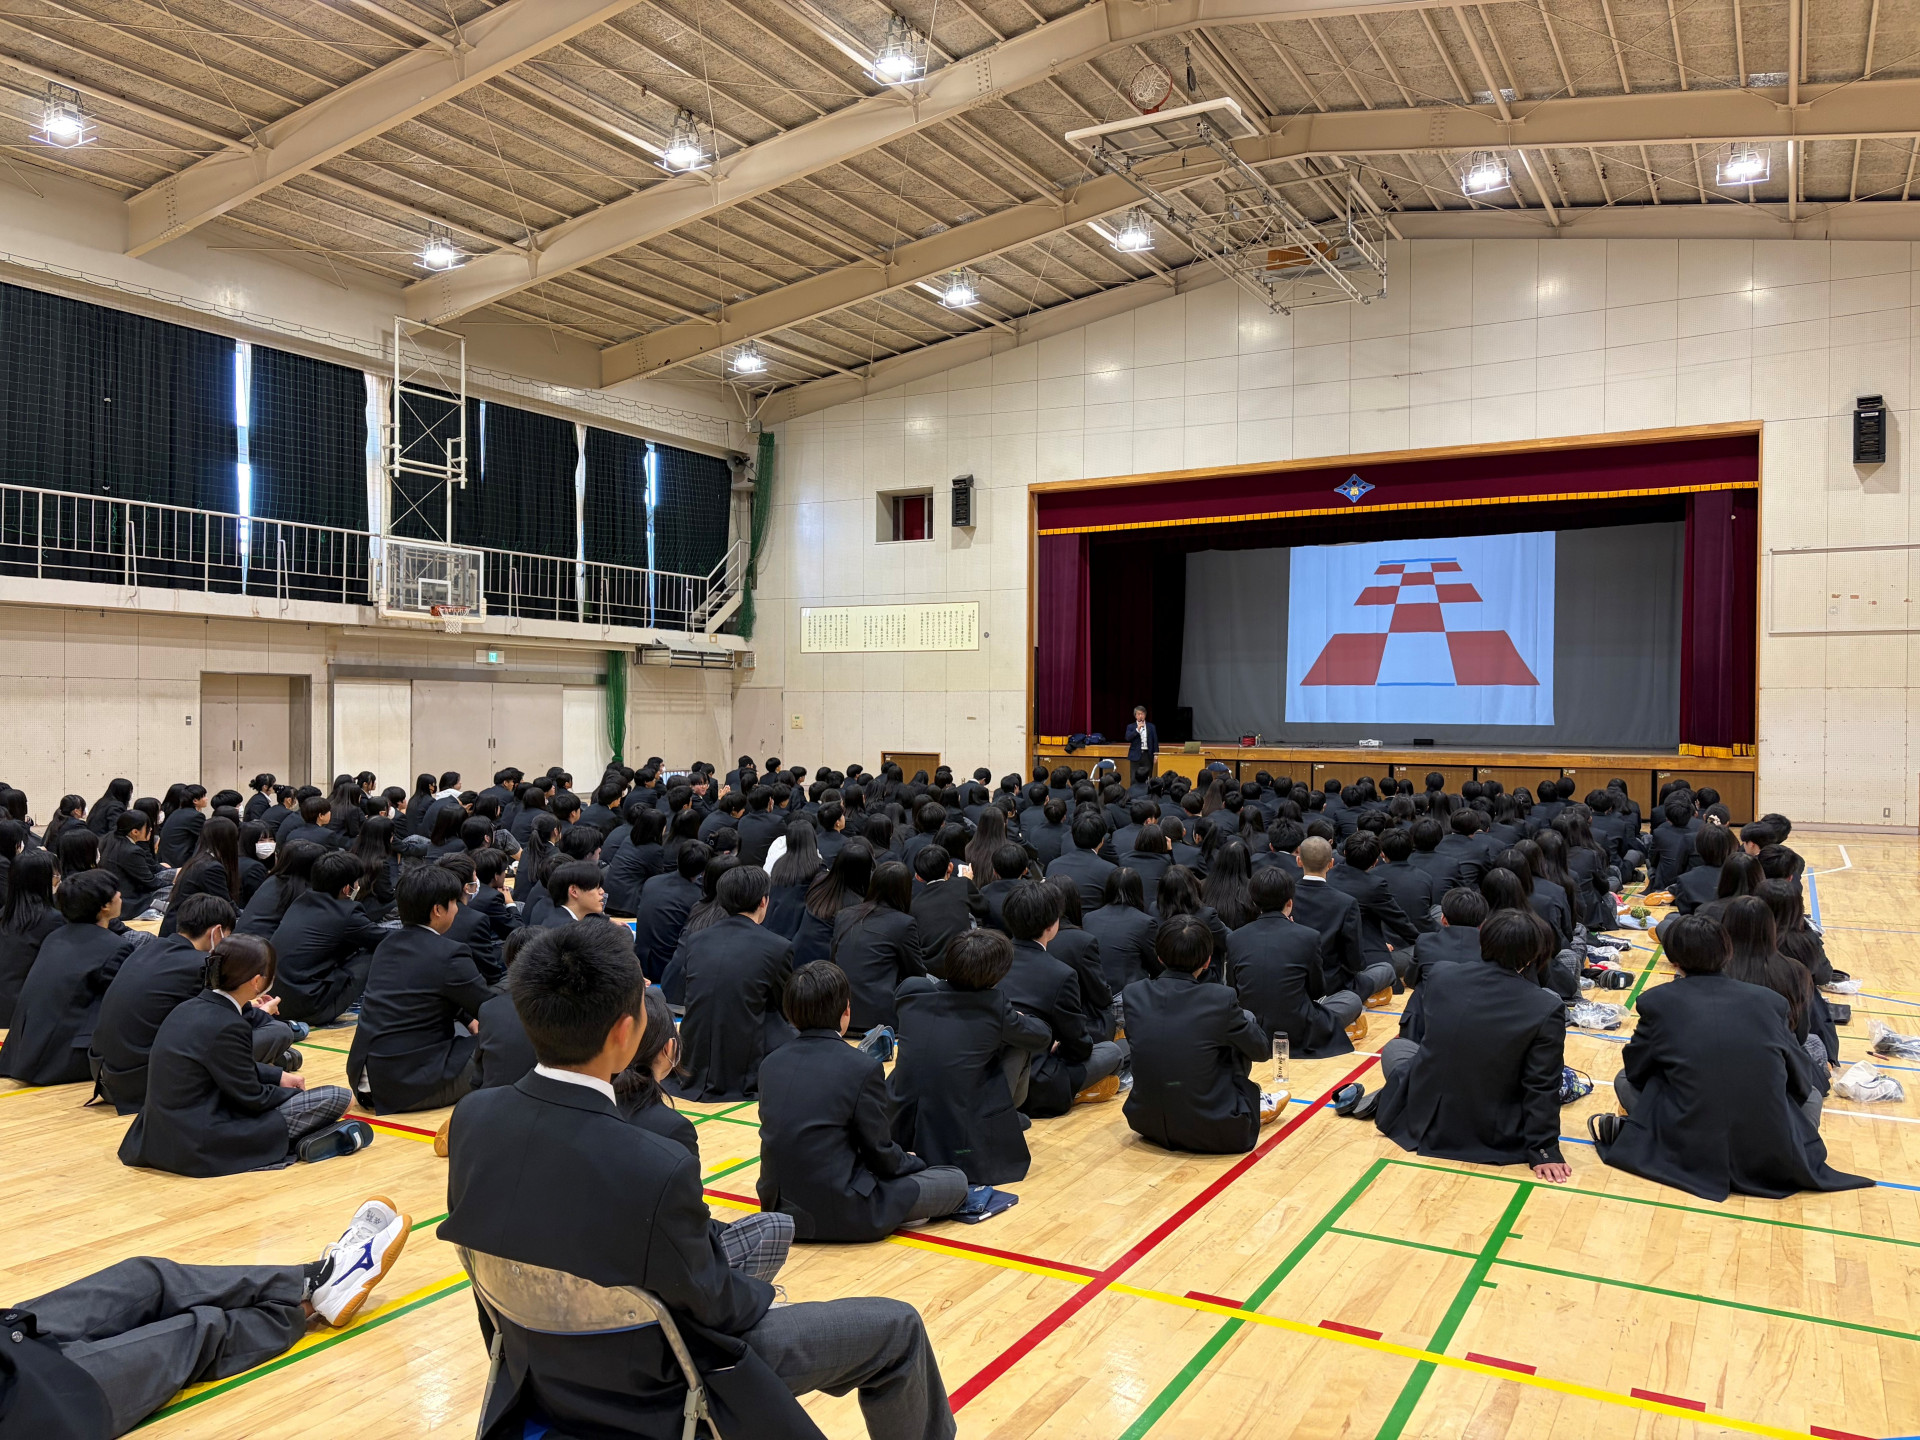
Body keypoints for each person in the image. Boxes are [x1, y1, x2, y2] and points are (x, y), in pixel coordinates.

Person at [437, 916, 955, 1440]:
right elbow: (715, 1306)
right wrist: (761, 1291)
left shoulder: (473, 1119)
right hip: (667, 1381)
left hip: (537, 1368)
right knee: (899, 1328)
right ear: (624, 1032)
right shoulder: (653, 1161)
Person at [0, 1196, 411, 1438]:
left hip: (7, 1340)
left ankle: (313, 1279)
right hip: (29, 1409)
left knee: (143, 1277)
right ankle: (312, 1304)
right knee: (200, 1332)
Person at [1592, 914, 1871, 1201]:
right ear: (1727, 952)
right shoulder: (1769, 1001)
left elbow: (1636, 1069)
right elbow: (1797, 1072)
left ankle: (1649, 1137)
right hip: (1768, 1139)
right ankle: (1787, 1147)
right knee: (1810, 1094)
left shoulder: (1656, 1000)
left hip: (1693, 1137)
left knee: (1624, 1079)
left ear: (1673, 958)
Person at [756, 961, 969, 1241]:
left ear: (790, 1013)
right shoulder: (861, 1067)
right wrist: (913, 1161)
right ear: (846, 1010)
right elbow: (880, 1153)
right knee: (955, 1181)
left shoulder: (770, 1064)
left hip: (780, 1210)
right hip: (845, 1212)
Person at [1357, 908, 1572, 1183]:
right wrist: (1544, 1149)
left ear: (1483, 941)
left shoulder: (1441, 975)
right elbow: (1540, 1083)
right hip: (1492, 1129)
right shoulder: (1546, 1005)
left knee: (1398, 1050)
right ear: (1533, 955)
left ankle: (1389, 1097)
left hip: (1426, 1118)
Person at [118, 935, 358, 1176]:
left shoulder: (187, 1007)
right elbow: (252, 1097)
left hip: (157, 1136)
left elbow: (223, 1066)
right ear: (256, 981)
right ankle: (295, 1141)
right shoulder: (228, 1024)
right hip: (200, 1142)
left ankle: (305, 1138)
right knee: (340, 1097)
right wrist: (289, 1094)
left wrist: (277, 1076)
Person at [90, 896, 297, 1113]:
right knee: (279, 1031)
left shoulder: (146, 948)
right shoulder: (203, 966)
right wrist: (264, 1011)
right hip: (142, 1083)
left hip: (104, 1074)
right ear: (217, 932)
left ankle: (266, 1066)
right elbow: (241, 1023)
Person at [889, 930, 1052, 1185]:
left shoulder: (911, 991)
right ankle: (1009, 1114)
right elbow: (1041, 1036)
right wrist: (1016, 1018)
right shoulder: (993, 1005)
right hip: (958, 1134)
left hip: (897, 1121)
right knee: (1018, 1044)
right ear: (996, 975)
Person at [1121, 914, 1277, 1154]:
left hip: (1145, 1123)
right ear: (1207, 961)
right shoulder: (1220, 998)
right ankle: (1242, 1100)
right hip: (1215, 1130)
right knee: (1245, 1019)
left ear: (1159, 957)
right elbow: (1262, 1051)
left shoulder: (1133, 994)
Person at [345, 864, 495, 1113]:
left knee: (465, 1029)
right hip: (409, 1086)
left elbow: (424, 992)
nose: (458, 909)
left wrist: (468, 1018)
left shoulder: (387, 944)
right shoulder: (450, 953)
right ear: (438, 910)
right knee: (507, 1041)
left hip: (367, 1079)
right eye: (454, 902)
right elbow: (493, 1010)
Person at [1226, 868, 1391, 1060]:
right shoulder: (1308, 936)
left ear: (1254, 902)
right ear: (1290, 902)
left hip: (1251, 1029)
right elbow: (1317, 991)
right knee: (1350, 1000)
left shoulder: (1235, 938)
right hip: (1298, 1030)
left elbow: (1233, 989)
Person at [1000, 881, 1127, 1116]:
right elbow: (1079, 1047)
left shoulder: (993, 959)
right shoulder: (1061, 974)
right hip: (1038, 1083)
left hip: (994, 1078)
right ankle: (1078, 1092)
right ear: (1052, 925)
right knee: (1114, 1051)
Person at [0, 871, 138, 1086]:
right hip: (59, 1058)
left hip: (21, 1052)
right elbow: (125, 1003)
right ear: (104, 906)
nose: (120, 895)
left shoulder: (55, 937)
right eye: (116, 893)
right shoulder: (114, 947)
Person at [670, 866, 795, 1101]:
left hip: (693, 1054)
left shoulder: (696, 940)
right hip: (745, 1058)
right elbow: (785, 1006)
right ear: (763, 901)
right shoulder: (777, 946)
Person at [269, 850, 384, 1025]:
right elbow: (383, 939)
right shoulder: (347, 912)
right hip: (310, 1007)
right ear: (347, 889)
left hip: (276, 1002)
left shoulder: (300, 902)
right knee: (374, 951)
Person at [831, 860, 925, 1032]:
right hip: (879, 1018)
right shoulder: (904, 923)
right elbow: (916, 974)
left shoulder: (843, 915)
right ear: (905, 890)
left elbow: (834, 960)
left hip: (838, 1012)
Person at [1287, 836, 1367, 995]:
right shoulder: (1346, 902)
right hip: (1332, 984)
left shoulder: (1286, 898)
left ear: (1299, 861)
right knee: (1383, 971)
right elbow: (1355, 960)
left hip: (1292, 980)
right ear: (1331, 863)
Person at [0, 849, 61, 1028]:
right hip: (28, 1013)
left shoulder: (4, 914)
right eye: (56, 875)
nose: (59, 880)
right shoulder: (52, 919)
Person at [633, 841, 708, 982]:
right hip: (666, 969)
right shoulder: (697, 898)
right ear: (703, 871)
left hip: (639, 960)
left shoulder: (651, 882)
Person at [157, 817, 241, 938]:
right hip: (183, 931)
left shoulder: (201, 859)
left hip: (182, 925)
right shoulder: (211, 867)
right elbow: (226, 904)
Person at [908, 844, 987, 970]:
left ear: (918, 877)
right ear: (950, 867)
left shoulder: (913, 905)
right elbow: (983, 907)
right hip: (965, 960)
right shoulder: (963, 884)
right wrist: (968, 882)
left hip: (931, 969)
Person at [1406, 888, 1488, 987]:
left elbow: (1410, 980)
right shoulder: (1492, 948)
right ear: (1482, 924)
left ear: (1443, 920)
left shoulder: (1425, 941)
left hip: (1432, 1000)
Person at [155, 786, 208, 867]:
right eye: (204, 796)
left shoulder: (177, 812)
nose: (206, 798)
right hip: (181, 861)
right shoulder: (196, 816)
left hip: (166, 859)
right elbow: (206, 838)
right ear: (195, 801)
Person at [1124, 704, 1159, 785]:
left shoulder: (1151, 726)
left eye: (1142, 714)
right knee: (1133, 777)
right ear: (1135, 715)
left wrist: (1156, 754)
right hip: (1135, 755)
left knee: (1148, 777)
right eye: (1138, 714)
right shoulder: (1131, 726)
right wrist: (1137, 729)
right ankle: (1133, 795)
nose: (1140, 716)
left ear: (1145, 715)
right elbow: (1128, 738)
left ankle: (1147, 794)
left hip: (1148, 755)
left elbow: (1155, 741)